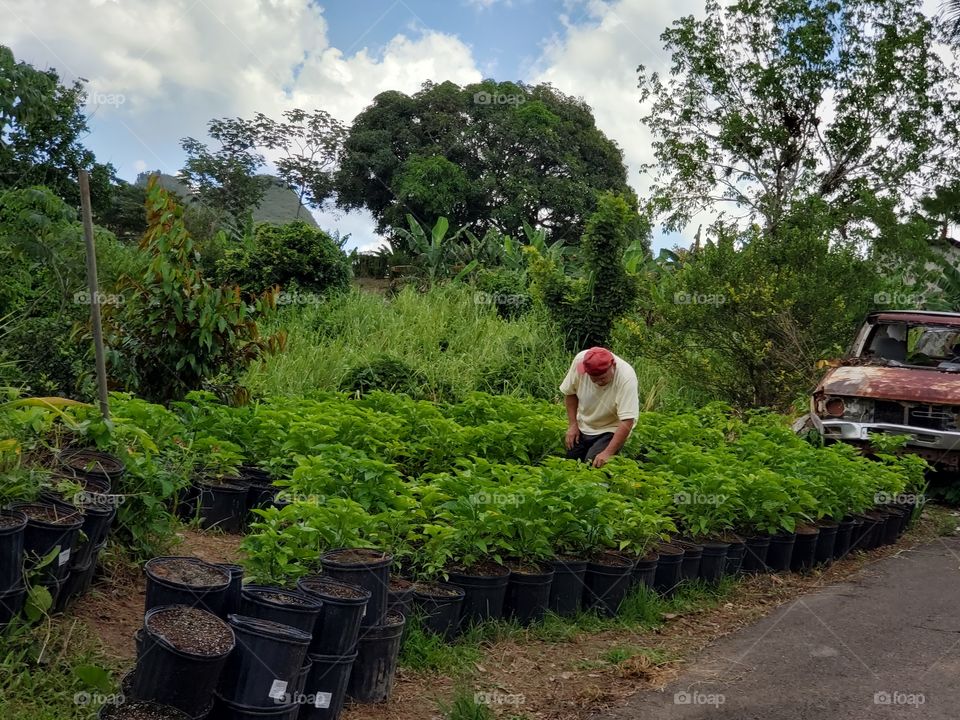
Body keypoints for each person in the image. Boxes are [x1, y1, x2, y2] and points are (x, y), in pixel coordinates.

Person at [560, 346, 639, 468]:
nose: (597, 382)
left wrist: (607, 452)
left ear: (612, 365)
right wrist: (572, 425)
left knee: (595, 464)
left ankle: (604, 485)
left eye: (602, 378)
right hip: (584, 423)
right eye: (593, 379)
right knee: (571, 463)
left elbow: (627, 420)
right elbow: (570, 393)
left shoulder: (626, 377)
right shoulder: (581, 360)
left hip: (611, 428)